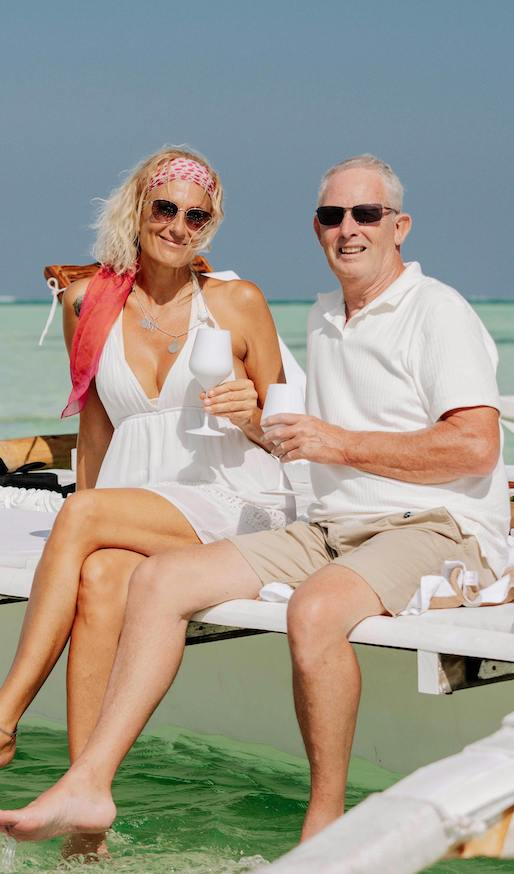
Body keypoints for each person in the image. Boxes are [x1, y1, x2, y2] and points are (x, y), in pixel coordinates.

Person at [0, 154, 509, 851]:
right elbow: (284, 429)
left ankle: (323, 827)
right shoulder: (330, 318)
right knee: (145, 576)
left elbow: (476, 448)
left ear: (400, 226)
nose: (348, 229)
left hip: (429, 523)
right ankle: (89, 789)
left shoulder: (435, 311)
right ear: (316, 227)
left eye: (366, 215)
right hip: (331, 525)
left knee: (315, 607)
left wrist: (332, 443)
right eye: (333, 216)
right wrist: (263, 424)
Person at [0, 146, 295, 848]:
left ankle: (6, 712)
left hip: (229, 492)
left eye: (197, 216)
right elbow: (97, 429)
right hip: (138, 499)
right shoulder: (87, 303)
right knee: (99, 577)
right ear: (139, 209)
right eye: (166, 208)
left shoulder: (237, 301)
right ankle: (84, 816)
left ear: (210, 226)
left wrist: (248, 414)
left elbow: (286, 433)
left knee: (83, 511)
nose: (178, 225)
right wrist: (86, 533)